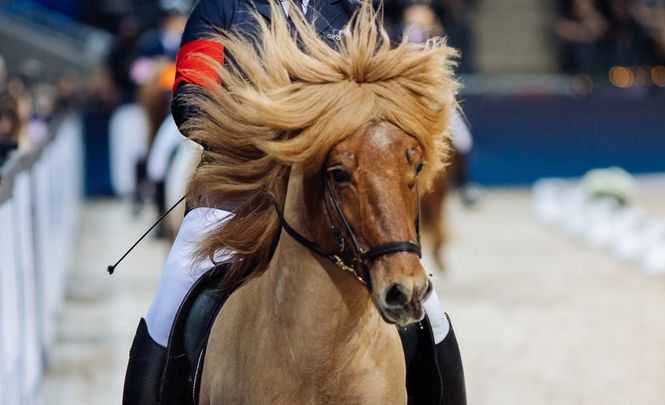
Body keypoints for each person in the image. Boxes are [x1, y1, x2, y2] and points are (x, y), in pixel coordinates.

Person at [122, 1, 466, 404]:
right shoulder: (219, 10)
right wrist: (284, 127)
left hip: (333, 199)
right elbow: (190, 101)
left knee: (431, 310)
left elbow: (381, 99)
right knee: (175, 287)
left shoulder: (352, 13)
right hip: (238, 193)